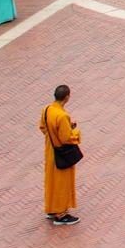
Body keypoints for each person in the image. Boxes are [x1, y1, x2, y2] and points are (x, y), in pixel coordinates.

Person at [40, 84, 82, 225]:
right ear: (67, 97)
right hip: (61, 153)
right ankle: (61, 214)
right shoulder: (62, 116)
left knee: (51, 182)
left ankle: (51, 208)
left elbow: (42, 127)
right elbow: (67, 138)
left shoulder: (47, 110)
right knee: (61, 184)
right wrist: (75, 132)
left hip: (50, 151)